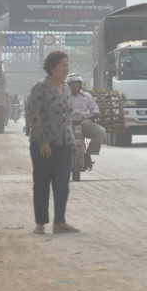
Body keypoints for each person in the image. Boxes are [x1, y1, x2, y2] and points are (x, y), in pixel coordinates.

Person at [25, 51, 80, 235]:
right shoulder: (40, 88)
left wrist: (72, 143)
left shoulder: (65, 89)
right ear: (53, 68)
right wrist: (42, 142)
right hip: (44, 145)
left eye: (67, 65)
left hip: (64, 143)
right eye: (63, 65)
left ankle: (59, 222)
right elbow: (34, 115)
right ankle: (40, 223)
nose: (66, 69)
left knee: (62, 183)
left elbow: (68, 118)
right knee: (41, 183)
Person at [66, 74, 104, 171]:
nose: (75, 86)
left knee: (100, 132)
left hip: (84, 124)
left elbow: (94, 108)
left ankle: (88, 155)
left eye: (77, 84)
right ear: (68, 85)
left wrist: (95, 113)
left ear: (80, 85)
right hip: (67, 126)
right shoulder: (63, 97)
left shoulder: (87, 96)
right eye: (72, 84)